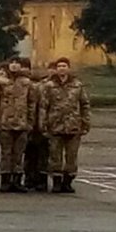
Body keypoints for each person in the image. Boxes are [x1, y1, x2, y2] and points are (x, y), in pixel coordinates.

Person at [40, 57, 90, 194]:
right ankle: (56, 182)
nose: (62, 68)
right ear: (56, 69)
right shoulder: (49, 86)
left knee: (71, 157)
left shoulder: (77, 85)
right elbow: (43, 106)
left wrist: (86, 122)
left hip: (73, 126)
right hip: (55, 125)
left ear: (69, 68)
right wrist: (43, 124)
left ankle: (68, 182)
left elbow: (84, 105)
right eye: (59, 66)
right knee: (55, 156)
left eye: (64, 66)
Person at [0, 57, 35, 193]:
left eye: (17, 63)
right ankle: (5, 180)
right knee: (6, 153)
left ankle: (17, 180)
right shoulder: (0, 82)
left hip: (22, 123)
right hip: (5, 122)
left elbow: (31, 103)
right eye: (12, 63)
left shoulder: (27, 83)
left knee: (19, 153)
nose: (14, 65)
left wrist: (30, 122)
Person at [23, 63, 52, 192]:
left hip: (42, 125)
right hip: (28, 124)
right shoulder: (25, 85)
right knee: (29, 155)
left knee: (42, 155)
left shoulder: (46, 87)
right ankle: (29, 179)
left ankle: (41, 180)